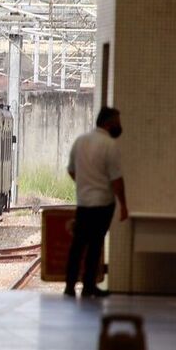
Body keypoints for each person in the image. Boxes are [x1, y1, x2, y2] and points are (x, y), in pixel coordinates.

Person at [64, 107, 129, 298]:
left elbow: (71, 170)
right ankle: (88, 286)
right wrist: (124, 205)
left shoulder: (80, 141)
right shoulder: (110, 145)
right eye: (118, 121)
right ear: (109, 123)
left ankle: (69, 286)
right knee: (95, 246)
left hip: (84, 202)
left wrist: (84, 184)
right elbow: (117, 180)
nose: (119, 125)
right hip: (103, 203)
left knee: (77, 245)